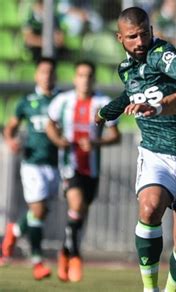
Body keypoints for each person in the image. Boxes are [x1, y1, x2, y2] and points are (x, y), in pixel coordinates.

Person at [94, 7, 176, 292]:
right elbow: (133, 93)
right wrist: (106, 112)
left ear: (152, 30)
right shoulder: (125, 69)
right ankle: (149, 289)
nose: (140, 41)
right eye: (132, 36)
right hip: (155, 154)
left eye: (145, 33)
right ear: (119, 38)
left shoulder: (161, 54)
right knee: (150, 208)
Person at [45, 60, 121, 282]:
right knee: (76, 206)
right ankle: (76, 257)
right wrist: (58, 140)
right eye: (81, 75)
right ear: (74, 78)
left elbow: (115, 135)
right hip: (70, 165)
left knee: (80, 215)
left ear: (94, 79)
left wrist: (96, 143)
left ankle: (65, 252)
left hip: (92, 167)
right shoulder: (63, 101)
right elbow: (50, 123)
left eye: (89, 76)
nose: (85, 79)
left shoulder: (102, 102)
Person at [0, 57, 60, 280]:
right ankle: (37, 261)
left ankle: (13, 232)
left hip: (55, 164)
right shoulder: (27, 102)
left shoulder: (61, 100)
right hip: (32, 162)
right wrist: (11, 140)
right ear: (37, 75)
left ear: (55, 76)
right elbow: (11, 127)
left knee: (41, 211)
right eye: (43, 72)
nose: (47, 76)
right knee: (37, 210)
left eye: (51, 72)